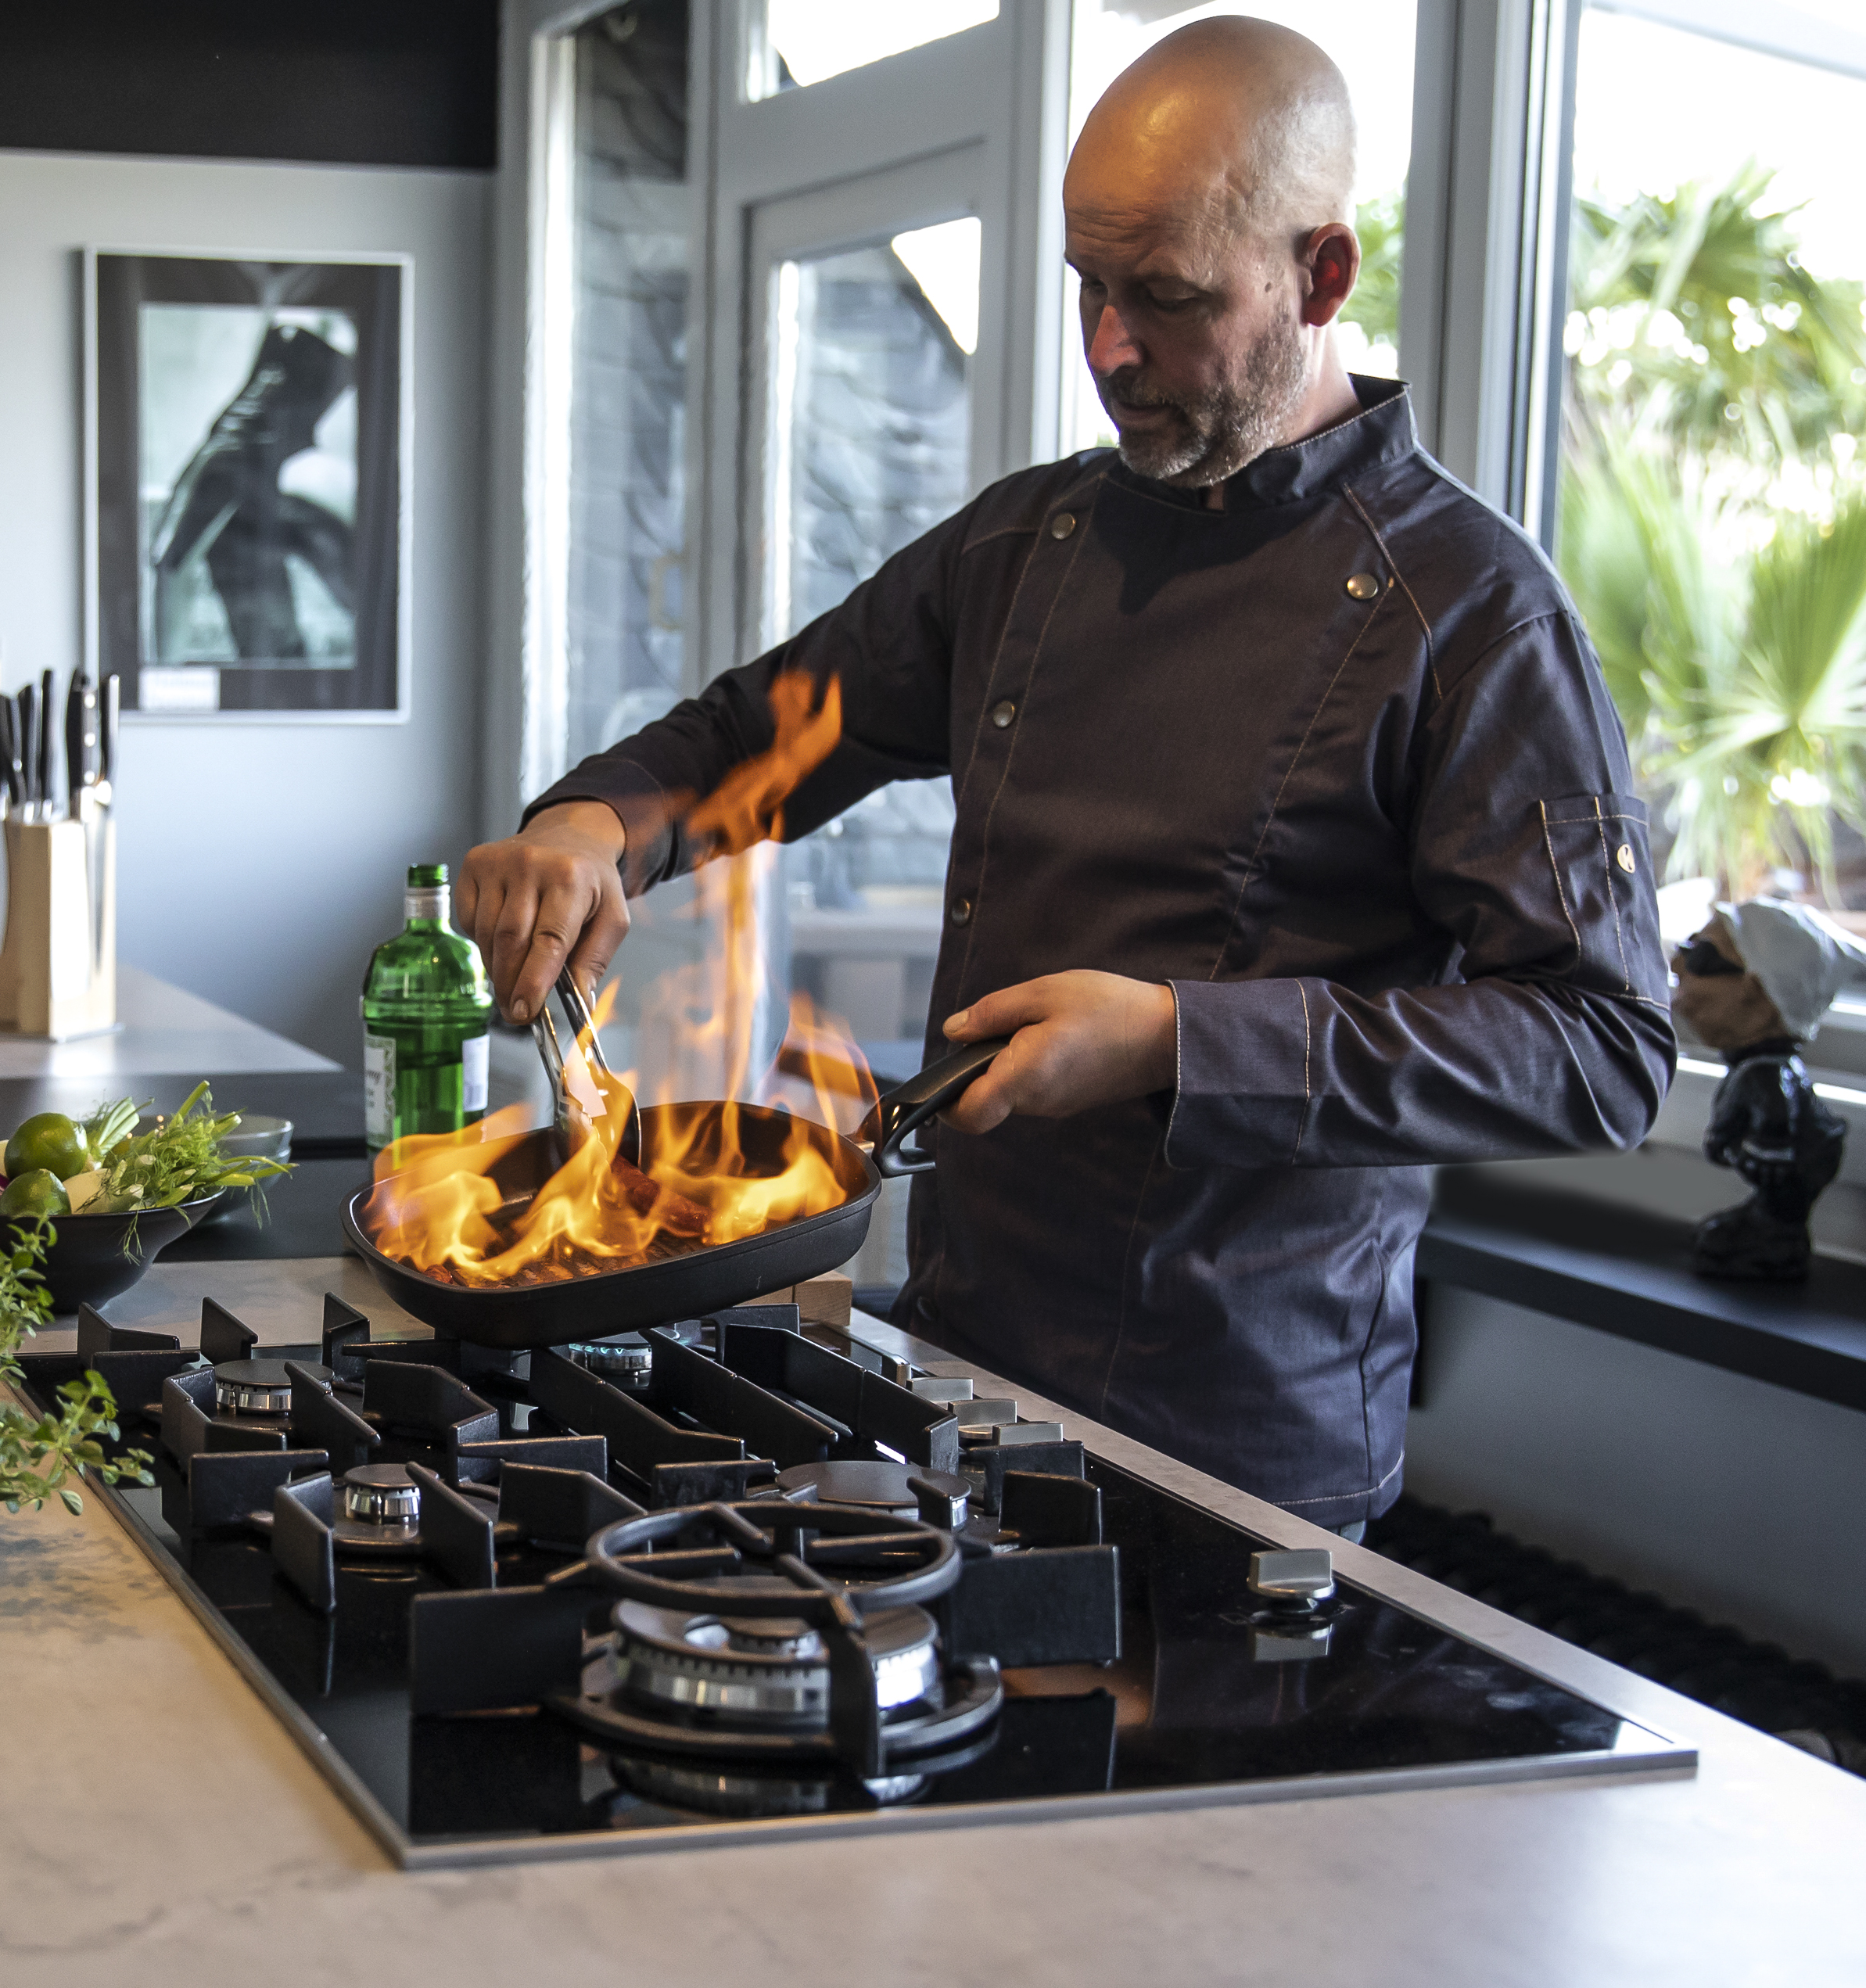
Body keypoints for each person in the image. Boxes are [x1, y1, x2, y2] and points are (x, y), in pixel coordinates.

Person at [458, 18, 1671, 1534]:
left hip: (1235, 1452)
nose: (1104, 348)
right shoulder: (1021, 546)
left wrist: (1175, 1039)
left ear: (1320, 278)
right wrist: (593, 825)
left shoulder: (1469, 616)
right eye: (1085, 288)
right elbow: (758, 732)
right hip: (948, 1374)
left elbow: (1599, 1044)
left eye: (1161, 298)